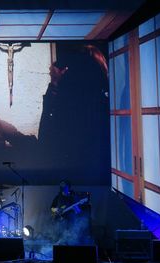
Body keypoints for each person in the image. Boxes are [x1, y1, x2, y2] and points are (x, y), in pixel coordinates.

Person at [38, 43, 110, 182]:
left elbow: (47, 138)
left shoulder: (87, 98)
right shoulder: (76, 96)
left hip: (86, 167)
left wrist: (55, 85)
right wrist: (54, 85)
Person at [50, 180, 91, 245]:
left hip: (69, 222)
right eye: (61, 186)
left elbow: (78, 212)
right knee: (57, 239)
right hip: (59, 221)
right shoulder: (57, 197)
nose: (63, 187)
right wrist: (56, 209)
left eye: (64, 186)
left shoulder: (73, 197)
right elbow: (51, 208)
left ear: (68, 187)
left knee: (67, 239)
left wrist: (76, 208)